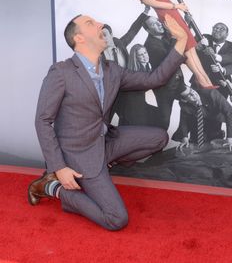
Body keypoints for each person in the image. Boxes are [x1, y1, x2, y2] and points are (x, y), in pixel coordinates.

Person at [28, 13, 187, 231]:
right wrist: (60, 167)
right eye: (90, 23)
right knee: (116, 219)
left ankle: (103, 164)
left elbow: (154, 79)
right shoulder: (61, 72)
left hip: (105, 143)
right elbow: (42, 121)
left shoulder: (113, 70)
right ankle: (52, 187)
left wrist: (181, 42)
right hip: (77, 155)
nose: (100, 24)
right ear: (79, 38)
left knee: (160, 138)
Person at [125, 0, 216, 89]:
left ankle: (205, 81)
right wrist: (177, 6)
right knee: (187, 50)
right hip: (168, 18)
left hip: (176, 15)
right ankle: (203, 81)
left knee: (191, 49)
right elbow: (155, 3)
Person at [143, 16, 186, 129]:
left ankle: (184, 137)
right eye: (153, 24)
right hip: (164, 88)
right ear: (148, 30)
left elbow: (183, 33)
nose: (158, 24)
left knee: (192, 104)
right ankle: (156, 144)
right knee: (164, 119)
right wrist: (173, 35)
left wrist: (187, 22)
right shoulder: (150, 45)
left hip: (177, 82)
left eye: (157, 21)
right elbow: (172, 58)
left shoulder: (166, 34)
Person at [118, 44, 159, 126]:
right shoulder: (137, 73)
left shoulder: (148, 67)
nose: (145, 56)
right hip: (134, 108)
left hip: (142, 104)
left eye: (145, 52)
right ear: (136, 58)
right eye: (141, 55)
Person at [193, 22, 232, 98]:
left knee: (217, 109)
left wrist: (223, 69)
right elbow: (189, 48)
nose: (217, 30)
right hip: (199, 81)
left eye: (221, 29)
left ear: (227, 34)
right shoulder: (203, 37)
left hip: (222, 84)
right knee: (192, 107)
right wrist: (197, 47)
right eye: (215, 28)